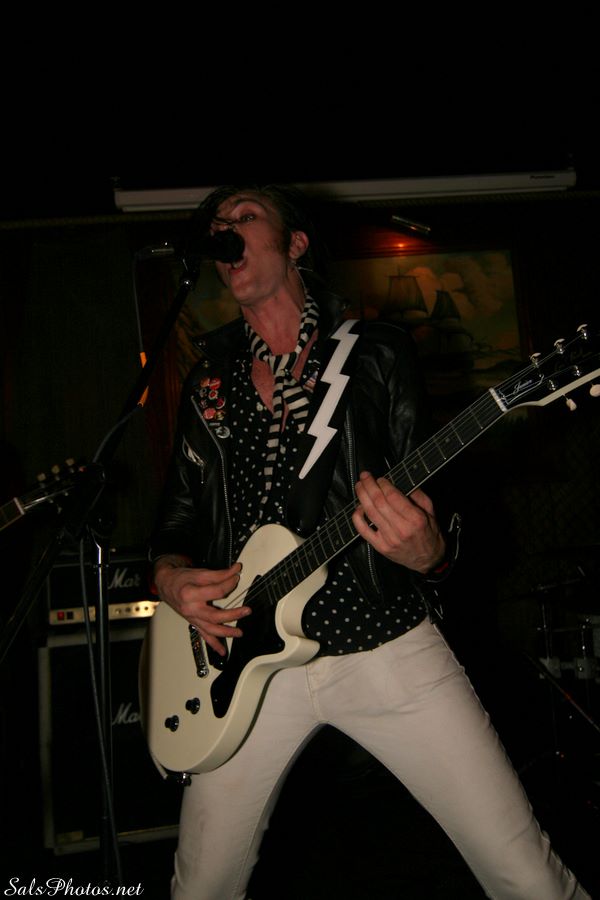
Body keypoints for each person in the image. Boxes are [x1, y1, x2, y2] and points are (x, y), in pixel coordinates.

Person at [149, 183, 590, 899]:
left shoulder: (376, 353)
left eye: (245, 217)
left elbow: (437, 501)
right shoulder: (210, 383)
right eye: (218, 224)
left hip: (383, 638)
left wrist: (431, 552)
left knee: (526, 876)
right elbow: (173, 525)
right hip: (246, 662)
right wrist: (170, 578)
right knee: (201, 887)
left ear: (295, 244)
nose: (226, 231)